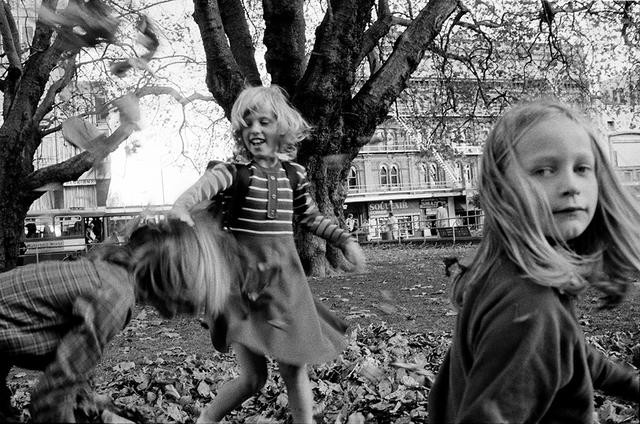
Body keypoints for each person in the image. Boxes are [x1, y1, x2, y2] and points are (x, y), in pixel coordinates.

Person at [427, 100, 640, 423]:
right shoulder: (530, 310)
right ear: (502, 190)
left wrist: (630, 384)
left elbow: (569, 350)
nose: (570, 186)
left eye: (582, 168)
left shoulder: (511, 275)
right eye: (544, 170)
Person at [170, 85, 365, 424]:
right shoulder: (232, 173)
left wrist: (345, 241)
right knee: (252, 379)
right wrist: (181, 209)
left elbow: (311, 217)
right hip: (246, 290)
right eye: (247, 123)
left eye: (264, 122)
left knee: (294, 368)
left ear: (283, 129)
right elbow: (194, 194)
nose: (255, 130)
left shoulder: (295, 175)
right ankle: (205, 420)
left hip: (286, 288)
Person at [0, 212, 235, 423]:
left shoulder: (110, 278)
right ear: (172, 277)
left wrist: (93, 405)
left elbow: (68, 362)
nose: (195, 311)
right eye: (199, 294)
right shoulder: (116, 299)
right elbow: (51, 396)